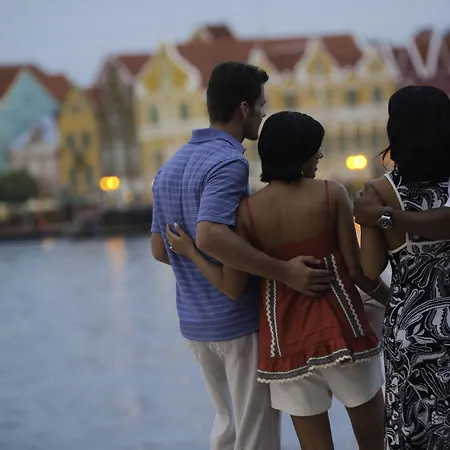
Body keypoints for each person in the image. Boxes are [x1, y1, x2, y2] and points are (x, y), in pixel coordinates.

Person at [166, 111, 388, 450]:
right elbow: (358, 272)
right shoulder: (331, 194)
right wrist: (395, 301)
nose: (320, 155)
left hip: (286, 347)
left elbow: (231, 287)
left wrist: (192, 253)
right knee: (374, 439)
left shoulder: (246, 213)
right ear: (299, 152)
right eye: (315, 148)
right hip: (344, 334)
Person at [150, 62, 333, 450]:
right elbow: (211, 234)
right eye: (261, 105)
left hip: (196, 325)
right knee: (257, 437)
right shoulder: (230, 161)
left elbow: (159, 249)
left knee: (227, 429)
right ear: (244, 108)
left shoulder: (169, 167)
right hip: (237, 324)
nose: (263, 114)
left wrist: (196, 258)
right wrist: (284, 271)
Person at [358, 85, 450, 450]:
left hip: (410, 333)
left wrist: (381, 217)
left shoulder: (379, 192)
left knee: (415, 429)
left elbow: (370, 268)